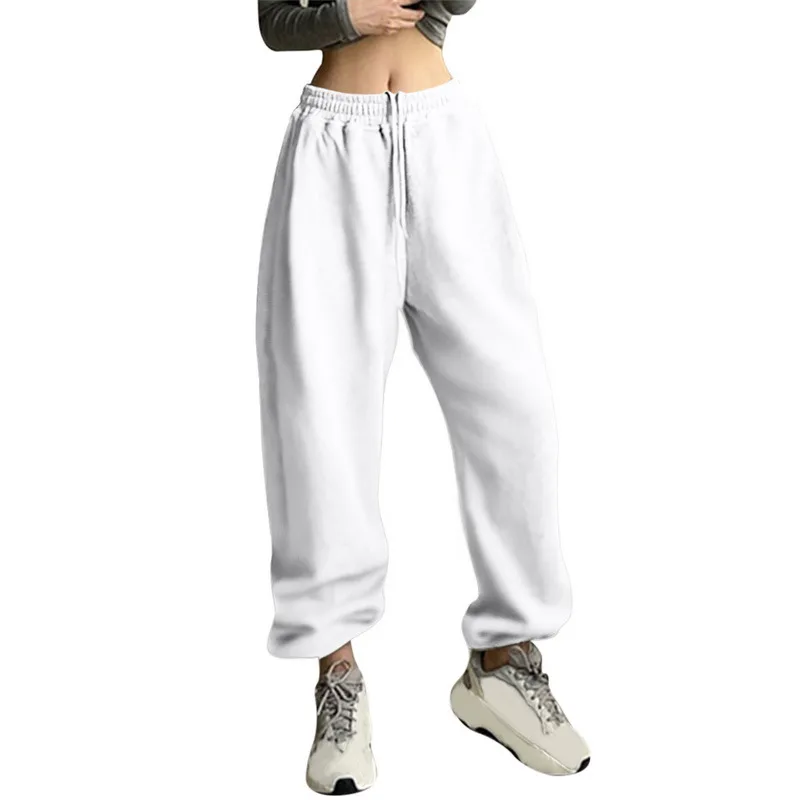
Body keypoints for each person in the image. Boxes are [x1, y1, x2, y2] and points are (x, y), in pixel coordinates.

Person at [255, 1, 590, 793]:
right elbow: (274, 22)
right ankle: (339, 680)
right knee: (320, 419)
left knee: (515, 405)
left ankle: (503, 664)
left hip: (444, 134)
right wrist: (348, 14)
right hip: (334, 144)